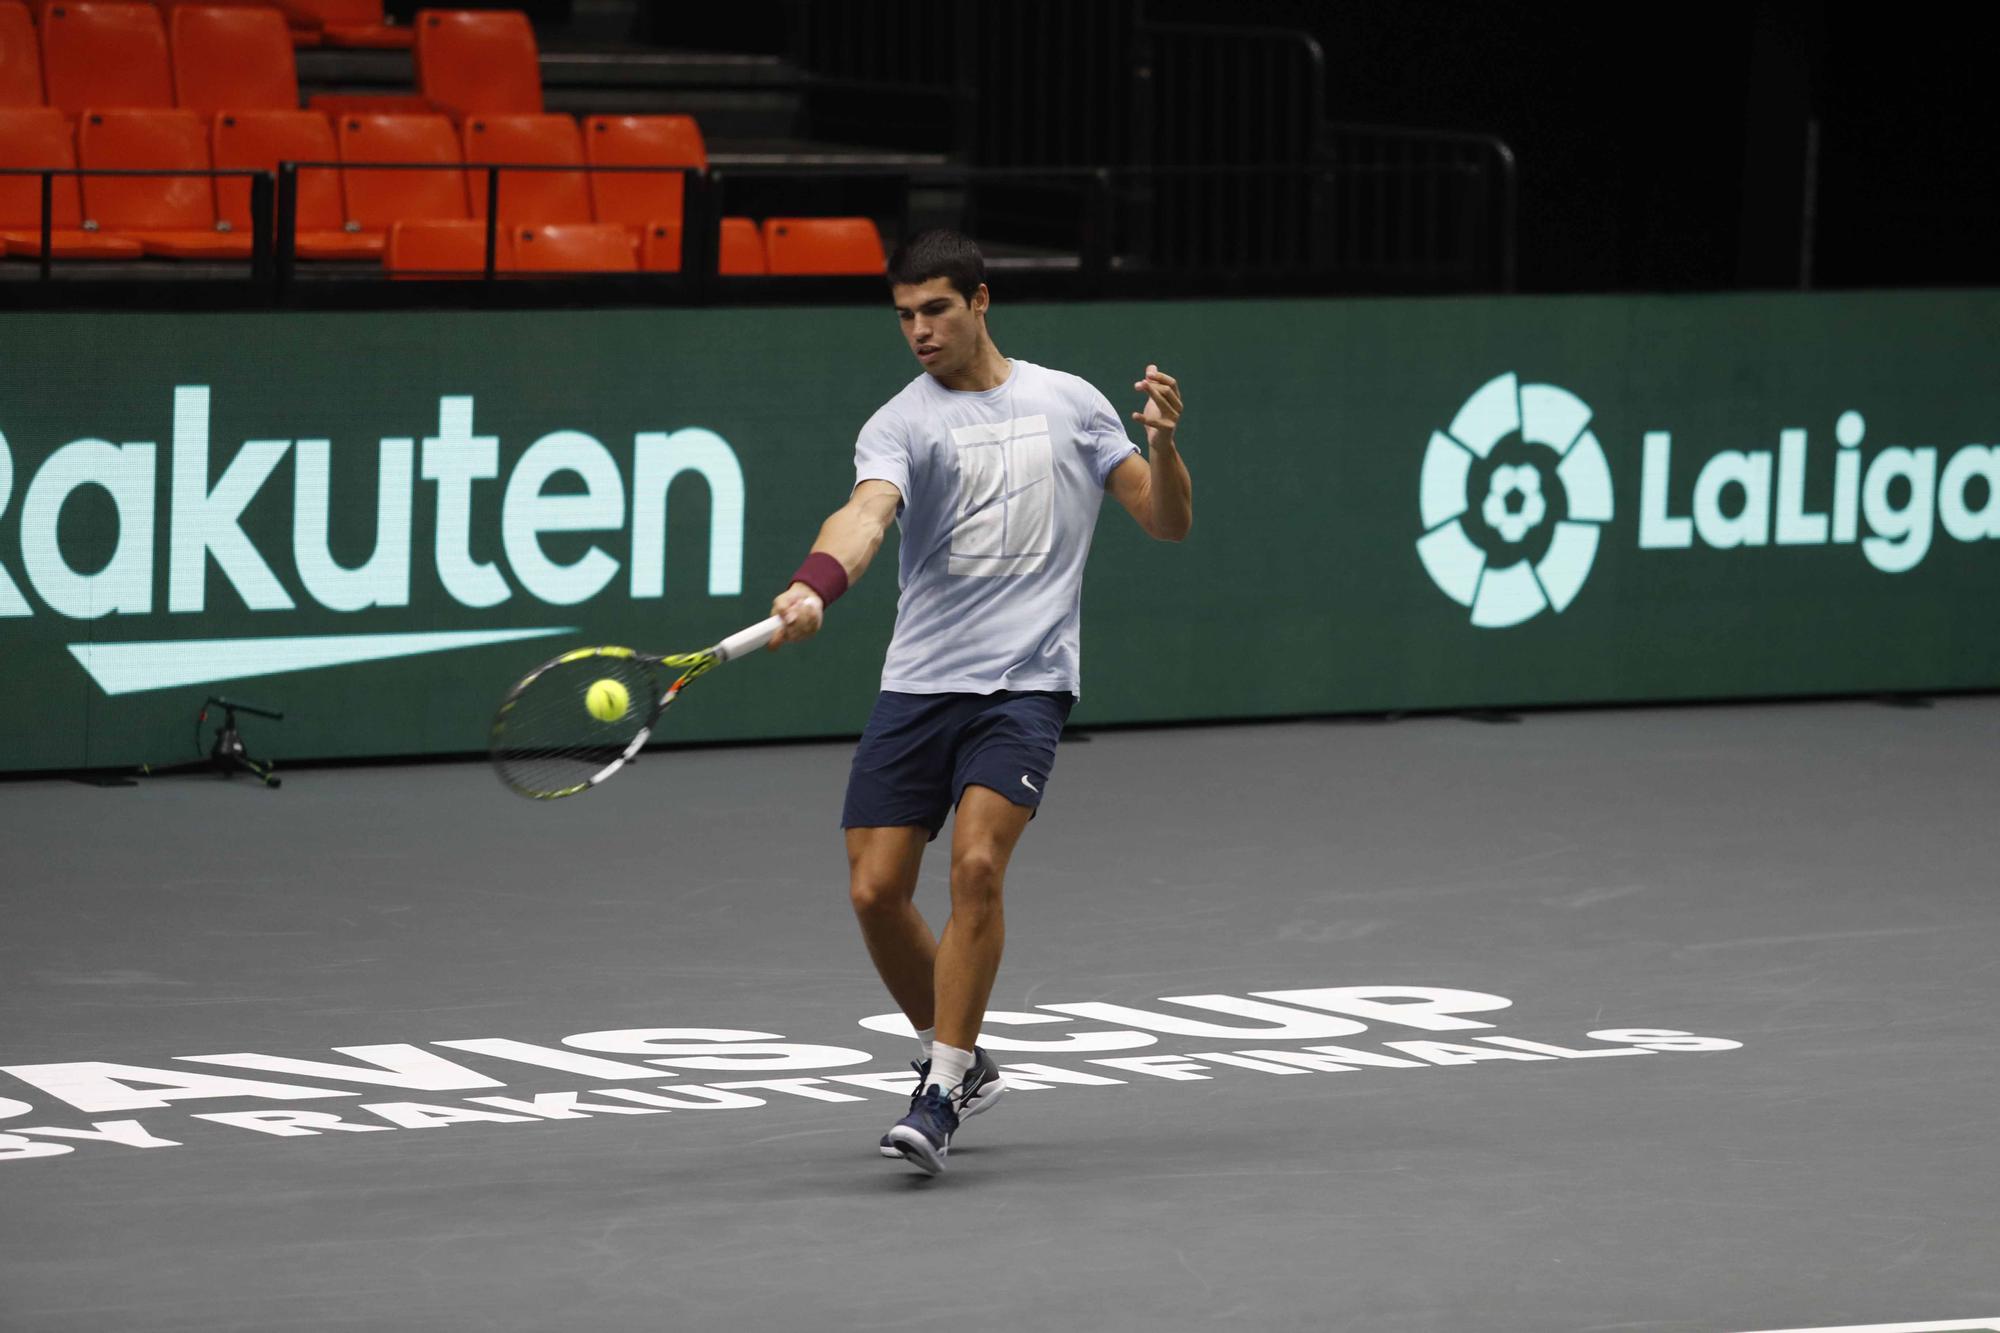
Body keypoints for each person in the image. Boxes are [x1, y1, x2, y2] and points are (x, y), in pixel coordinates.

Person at [766, 229, 1193, 1175]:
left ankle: (940, 1084)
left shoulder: (1070, 403)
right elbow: (866, 512)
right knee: (876, 889)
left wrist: (1162, 449)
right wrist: (816, 582)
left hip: (1027, 683)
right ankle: (966, 1056)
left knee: (976, 868)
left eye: (936, 310)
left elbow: (1165, 522)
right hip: (919, 683)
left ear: (981, 301)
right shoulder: (899, 422)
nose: (918, 331)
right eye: (905, 316)